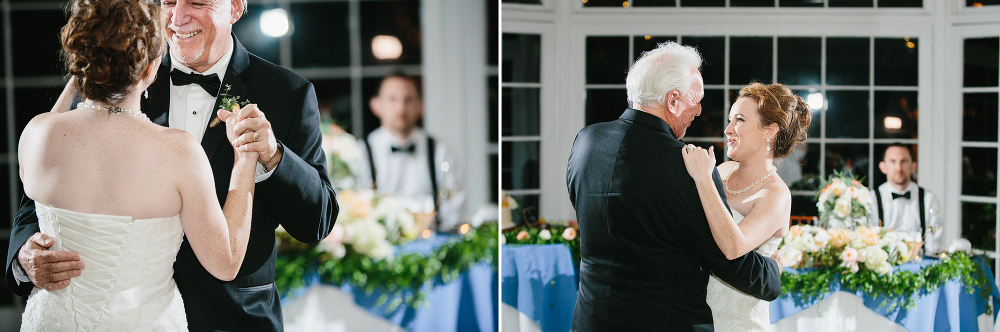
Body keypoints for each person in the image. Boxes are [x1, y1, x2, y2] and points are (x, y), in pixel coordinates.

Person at [5, 0, 339, 330]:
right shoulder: (118, 66)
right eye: (168, 1)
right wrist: (23, 254)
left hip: (232, 320)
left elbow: (317, 222)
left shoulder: (287, 92)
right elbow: (38, 198)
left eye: (197, 2)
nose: (178, 16)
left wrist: (272, 156)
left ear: (235, 8)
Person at [565, 41, 783, 332]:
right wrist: (772, 272)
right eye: (696, 99)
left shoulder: (585, 142)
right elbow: (724, 256)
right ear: (672, 100)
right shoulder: (689, 166)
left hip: (590, 320)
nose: (699, 109)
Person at [681, 82, 812, 331]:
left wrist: (703, 179)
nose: (728, 129)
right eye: (730, 120)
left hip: (738, 323)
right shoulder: (723, 171)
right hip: (695, 314)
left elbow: (733, 247)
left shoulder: (776, 194)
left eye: (739, 120)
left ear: (769, 131)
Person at [357, 75, 465, 231]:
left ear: (420, 106)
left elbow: (454, 208)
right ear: (376, 105)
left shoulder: (440, 150)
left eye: (408, 100)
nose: (401, 108)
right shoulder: (362, 152)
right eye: (392, 99)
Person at [868, 143, 943, 253]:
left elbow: (934, 246)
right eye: (893, 161)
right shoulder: (872, 199)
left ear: (913, 166)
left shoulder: (928, 199)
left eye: (904, 161)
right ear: (883, 167)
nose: (899, 168)